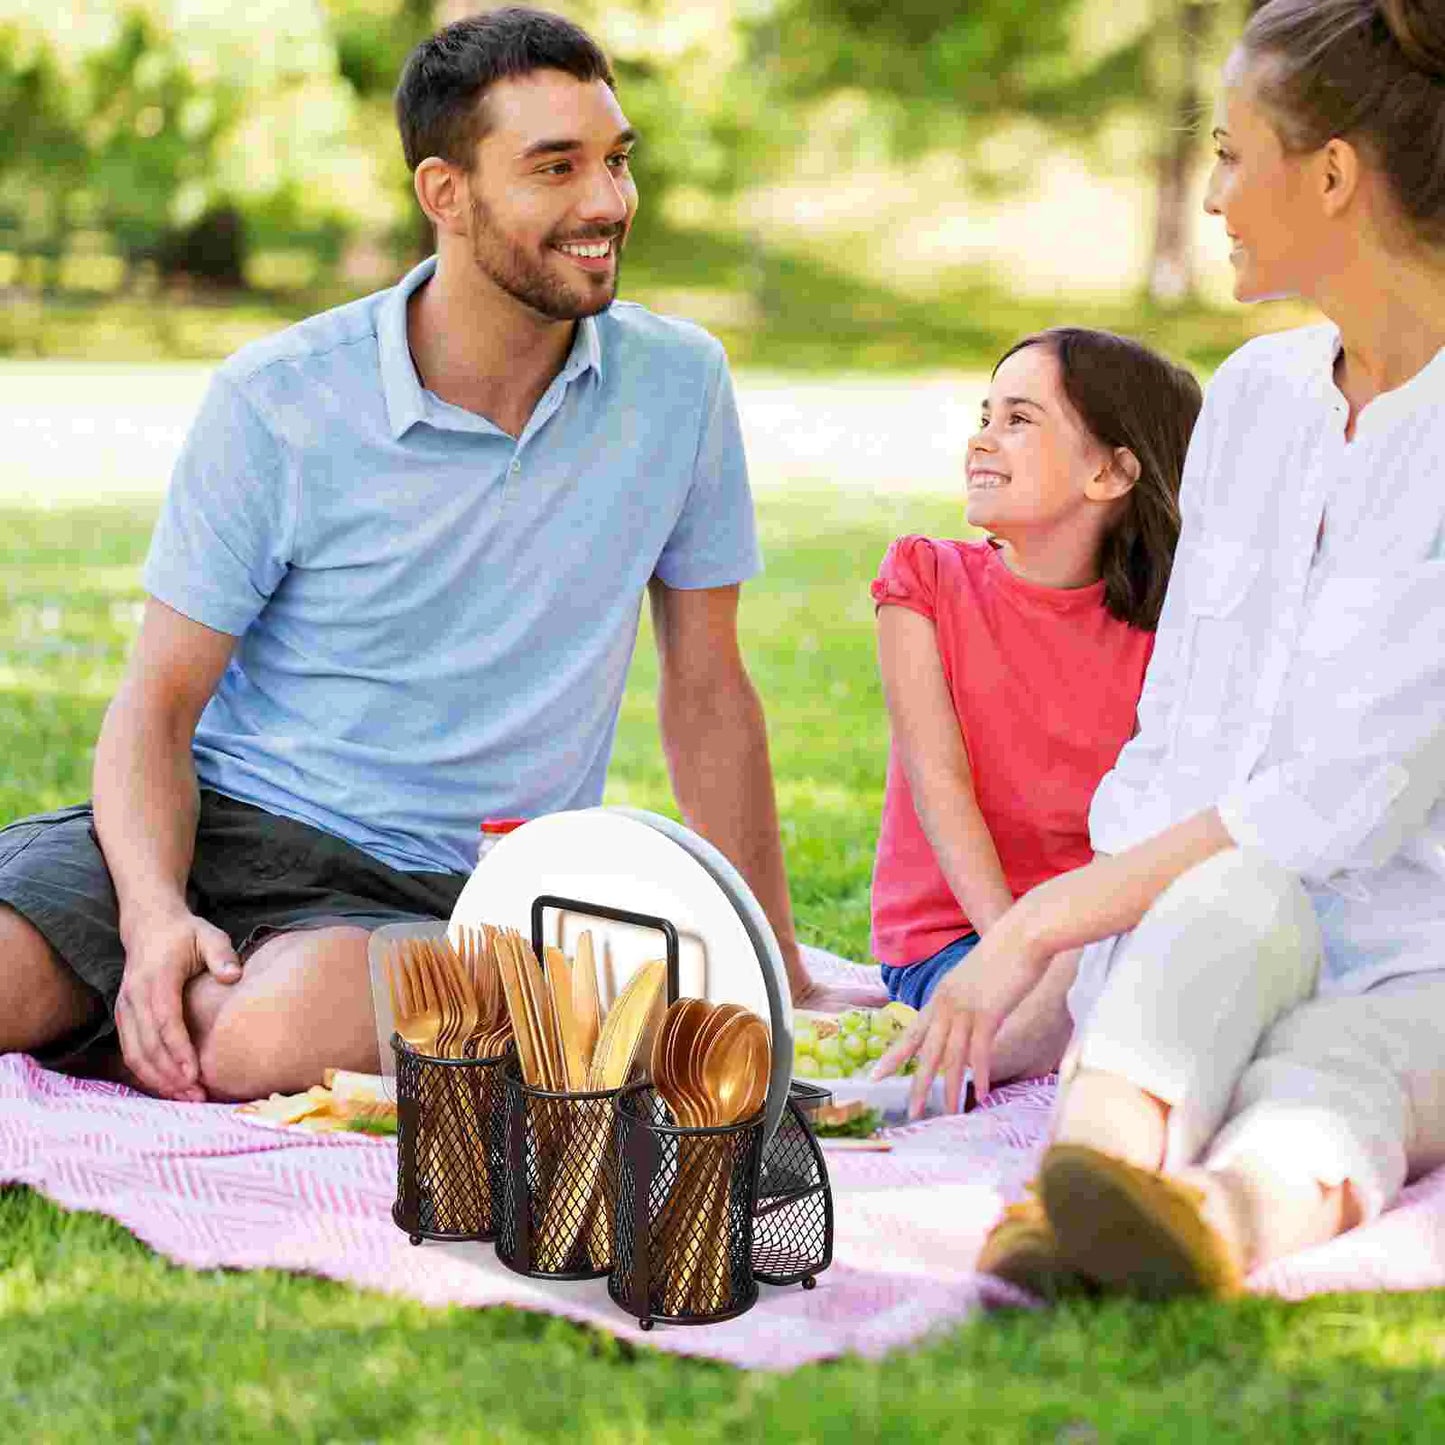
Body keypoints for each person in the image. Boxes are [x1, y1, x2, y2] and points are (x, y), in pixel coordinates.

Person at [0, 7, 814, 1106]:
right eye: (556, 168)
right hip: (219, 825)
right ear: (445, 193)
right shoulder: (280, 398)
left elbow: (708, 688)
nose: (607, 202)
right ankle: (129, 997)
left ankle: (143, 1022)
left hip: (452, 884)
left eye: (616, 161)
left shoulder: (678, 387)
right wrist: (150, 921)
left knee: (265, 1036)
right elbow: (156, 707)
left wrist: (781, 969)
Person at [877, 0, 1445, 1300]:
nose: (1214, 197)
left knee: (1337, 1066)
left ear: (1335, 176)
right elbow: (1179, 743)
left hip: (1426, 953)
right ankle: (1095, 1172)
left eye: (1233, 156)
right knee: (1213, 920)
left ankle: (1205, 1221)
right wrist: (1081, 952)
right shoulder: (1253, 402)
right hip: (1216, 918)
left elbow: (1334, 799)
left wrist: (1033, 925)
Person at [869, 330, 1200, 1086]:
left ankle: (1026, 1041)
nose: (980, 441)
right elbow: (938, 784)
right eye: (985, 415)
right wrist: (1011, 952)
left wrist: (1065, 948)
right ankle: (991, 1048)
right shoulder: (923, 582)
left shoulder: (1171, 631)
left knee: (1171, 954)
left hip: (1098, 927)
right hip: (959, 939)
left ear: (1111, 472)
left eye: (1018, 420)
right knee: (1109, 993)